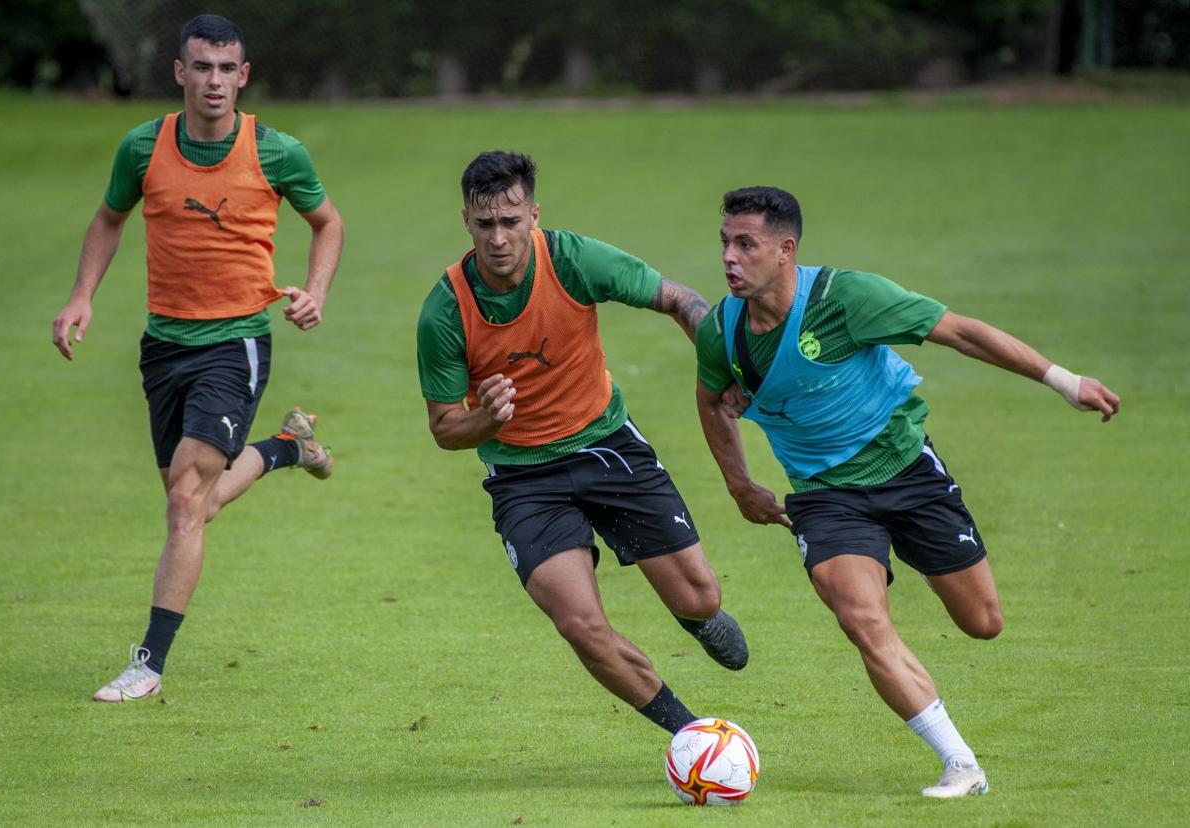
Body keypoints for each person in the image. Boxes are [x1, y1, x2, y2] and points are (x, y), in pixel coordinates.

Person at [695, 186, 1119, 797]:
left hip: (906, 472)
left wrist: (1064, 380)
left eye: (746, 244)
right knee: (862, 621)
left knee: (982, 622)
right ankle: (960, 763)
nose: (730, 258)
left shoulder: (846, 299)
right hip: (823, 496)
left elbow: (963, 333)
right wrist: (740, 486)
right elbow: (711, 402)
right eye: (725, 245)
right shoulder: (722, 331)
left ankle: (918, 553)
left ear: (786, 250)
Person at [51, 14, 344, 702]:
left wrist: (317, 293)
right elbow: (108, 218)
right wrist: (81, 296)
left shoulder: (276, 151)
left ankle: (147, 663)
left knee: (184, 504)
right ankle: (285, 449)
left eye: (226, 69)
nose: (214, 81)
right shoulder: (142, 147)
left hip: (235, 341)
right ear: (180, 72)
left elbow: (327, 221)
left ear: (243, 76)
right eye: (201, 68)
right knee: (197, 506)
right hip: (163, 346)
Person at [416, 150, 748, 735]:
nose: (499, 238)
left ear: (533, 216)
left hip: (605, 444)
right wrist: (487, 421)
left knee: (698, 596)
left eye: (511, 221)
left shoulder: (572, 259)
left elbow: (679, 299)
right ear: (466, 221)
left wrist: (724, 367)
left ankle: (698, 617)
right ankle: (692, 737)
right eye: (485, 223)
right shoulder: (445, 311)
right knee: (581, 626)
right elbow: (445, 427)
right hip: (523, 478)